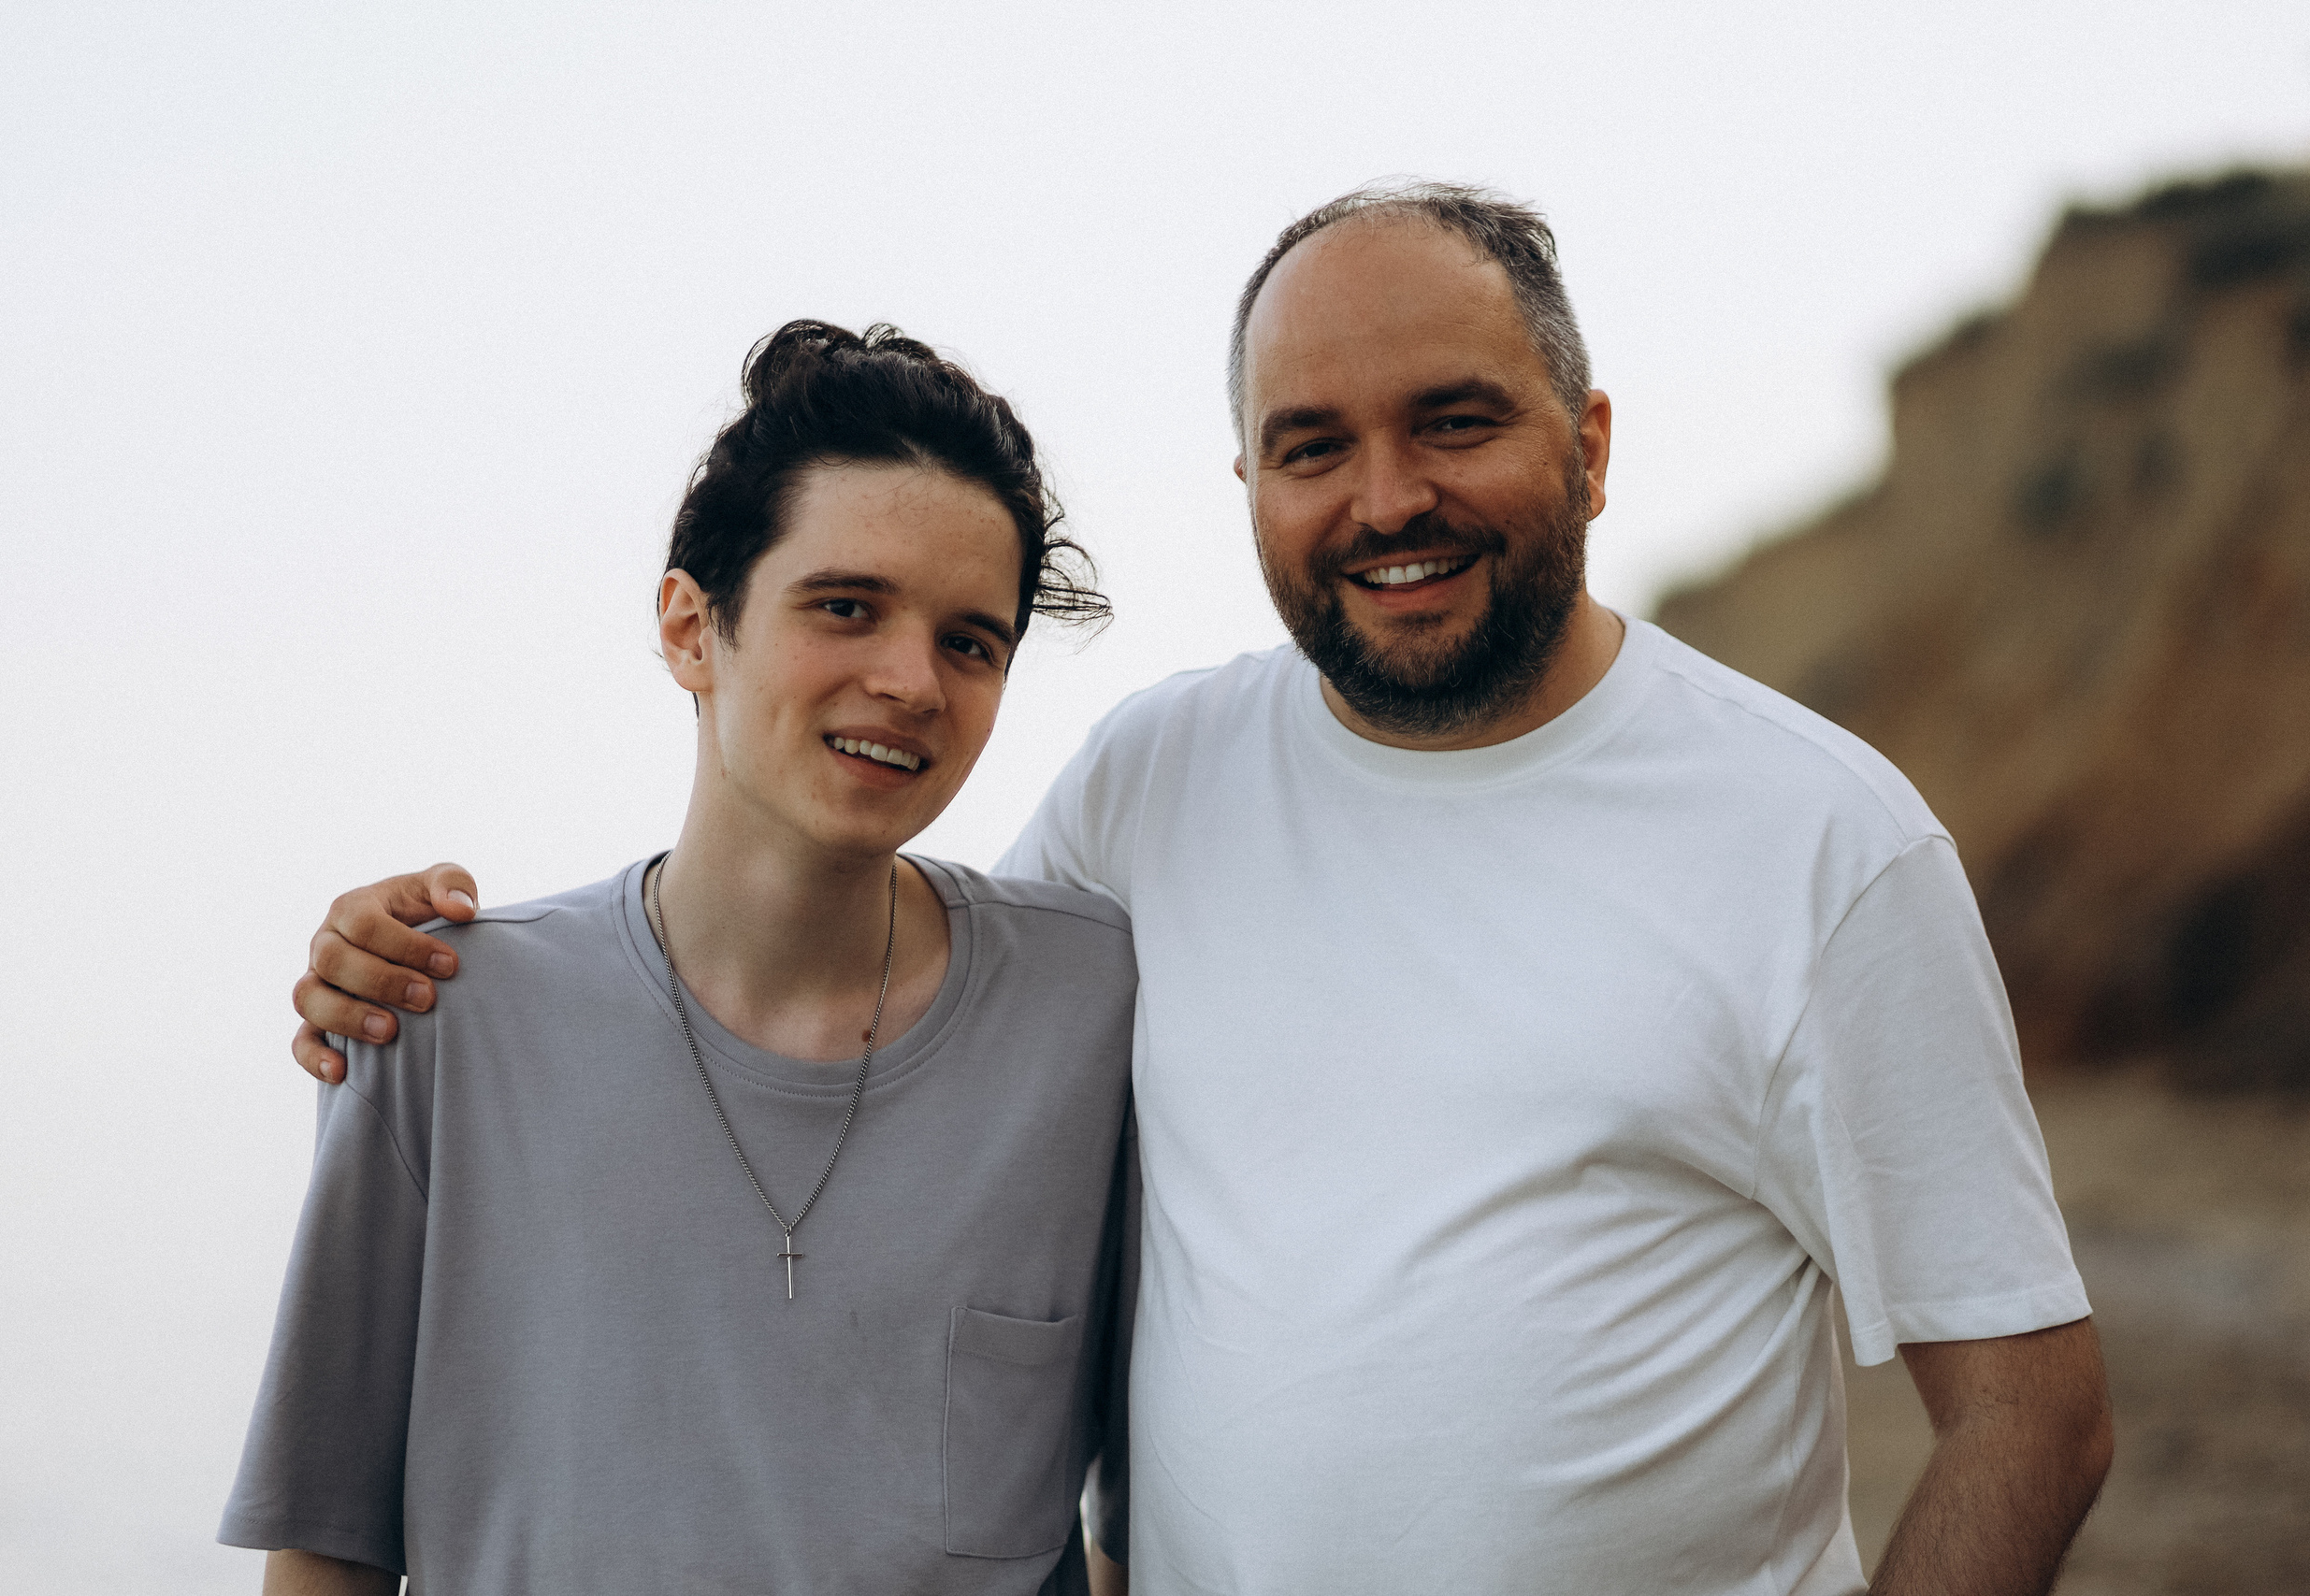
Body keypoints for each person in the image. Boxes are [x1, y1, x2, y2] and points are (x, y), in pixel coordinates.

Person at [293, 185, 2114, 1595]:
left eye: (1453, 420)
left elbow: (2030, 1410)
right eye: (1311, 443)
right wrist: (442, 974)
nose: (1384, 494)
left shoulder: (1815, 841)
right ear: (1247, 481)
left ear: (1589, 442)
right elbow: (853, 1012)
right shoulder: (1149, 784)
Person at [224, 321, 1142, 1596]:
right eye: (846, 607)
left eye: (970, 641)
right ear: (689, 629)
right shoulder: (442, 1017)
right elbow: (327, 1547)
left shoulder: (1093, 1013)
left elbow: (1134, 1519)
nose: (911, 681)